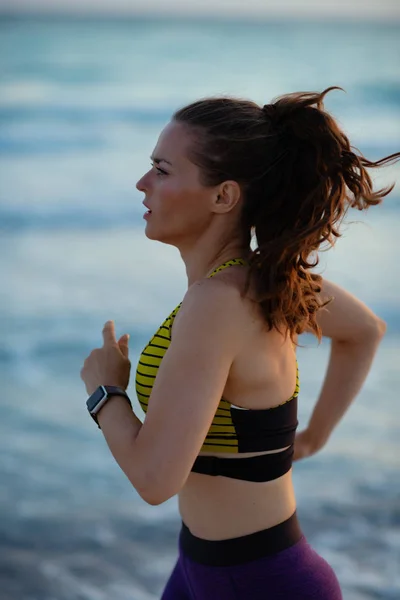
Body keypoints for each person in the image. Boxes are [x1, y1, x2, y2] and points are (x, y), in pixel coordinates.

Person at [80, 87, 399, 599]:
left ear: (223, 196)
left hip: (257, 582)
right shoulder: (268, 280)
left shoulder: (217, 302)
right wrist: (313, 437)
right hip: (203, 569)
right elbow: (364, 331)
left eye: (162, 171)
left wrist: (105, 392)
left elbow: (155, 480)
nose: (142, 184)